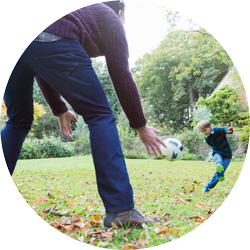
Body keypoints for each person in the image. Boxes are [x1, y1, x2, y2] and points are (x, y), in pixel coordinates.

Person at [1, 0, 166, 228]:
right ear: (119, 13)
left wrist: (59, 109)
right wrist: (140, 125)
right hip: (48, 39)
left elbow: (39, 60)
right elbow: (121, 75)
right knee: (100, 115)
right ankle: (121, 210)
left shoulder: (80, 12)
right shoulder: (112, 19)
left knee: (18, 121)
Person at [196, 120, 233, 193]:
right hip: (217, 152)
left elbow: (224, 129)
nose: (204, 133)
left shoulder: (217, 131)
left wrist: (228, 130)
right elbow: (213, 146)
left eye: (205, 130)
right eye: (202, 132)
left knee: (218, 175)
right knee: (219, 162)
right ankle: (207, 187)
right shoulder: (207, 139)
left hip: (227, 154)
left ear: (210, 127)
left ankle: (214, 181)